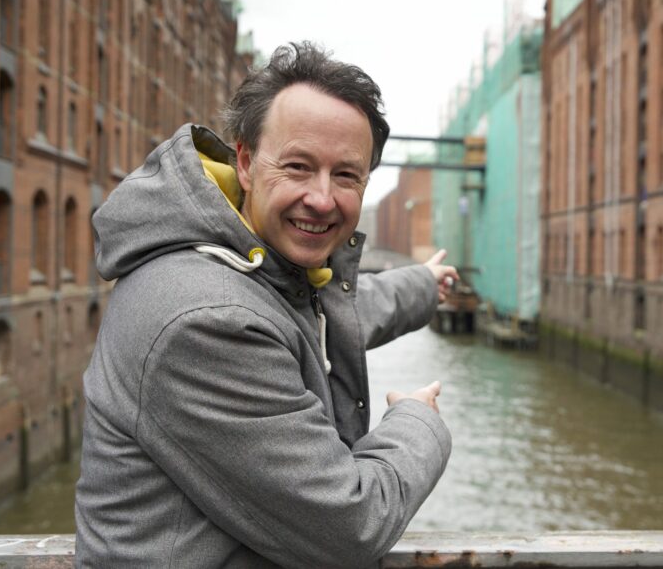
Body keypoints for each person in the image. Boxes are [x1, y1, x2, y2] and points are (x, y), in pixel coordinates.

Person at [74, 42, 457, 568]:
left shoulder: (253, 268)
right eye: (298, 166)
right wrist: (418, 422)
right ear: (248, 162)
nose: (322, 198)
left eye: (346, 175)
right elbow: (350, 526)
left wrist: (422, 284)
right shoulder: (208, 320)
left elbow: (330, 312)